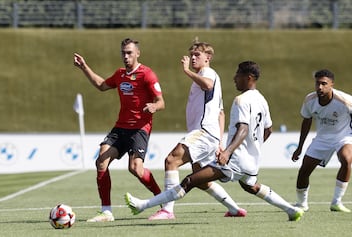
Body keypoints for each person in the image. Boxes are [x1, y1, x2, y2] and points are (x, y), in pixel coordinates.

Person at [125, 61, 304, 221]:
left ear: (249, 77)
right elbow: (268, 129)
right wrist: (253, 148)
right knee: (252, 187)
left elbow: (243, 129)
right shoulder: (262, 100)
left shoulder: (241, 100)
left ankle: (144, 205)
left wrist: (227, 152)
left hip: (234, 160)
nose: (234, 78)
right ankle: (290, 210)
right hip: (251, 161)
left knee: (189, 181)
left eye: (238, 75)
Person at [147, 40, 246, 220]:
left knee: (171, 160)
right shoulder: (208, 77)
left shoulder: (207, 73)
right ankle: (234, 209)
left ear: (208, 58)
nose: (193, 58)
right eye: (191, 55)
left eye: (197, 55)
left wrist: (186, 71)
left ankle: (167, 210)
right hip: (210, 135)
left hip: (203, 132)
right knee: (201, 180)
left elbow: (207, 84)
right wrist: (219, 142)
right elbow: (221, 113)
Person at [73, 38, 165, 222]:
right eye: (123, 52)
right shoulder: (120, 74)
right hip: (120, 128)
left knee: (135, 169)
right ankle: (106, 211)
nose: (126, 56)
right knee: (101, 161)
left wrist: (155, 107)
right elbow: (101, 85)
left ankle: (164, 201)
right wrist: (84, 67)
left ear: (137, 53)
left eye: (129, 52)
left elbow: (161, 101)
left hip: (139, 128)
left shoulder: (147, 75)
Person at [292, 69, 352, 212]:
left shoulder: (345, 101)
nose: (320, 87)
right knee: (304, 170)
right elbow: (306, 122)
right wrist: (299, 147)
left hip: (343, 136)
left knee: (347, 159)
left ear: (332, 84)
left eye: (324, 84)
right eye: (317, 83)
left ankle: (336, 202)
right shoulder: (310, 100)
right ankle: (302, 204)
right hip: (322, 139)